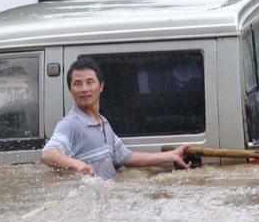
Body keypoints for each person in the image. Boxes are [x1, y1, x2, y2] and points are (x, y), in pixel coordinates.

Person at [41, 58, 188, 179]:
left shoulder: (103, 123)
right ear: (70, 89)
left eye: (90, 82)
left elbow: (127, 158)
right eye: (77, 84)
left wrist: (171, 156)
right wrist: (78, 165)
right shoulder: (70, 124)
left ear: (101, 86)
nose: (84, 89)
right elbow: (48, 154)